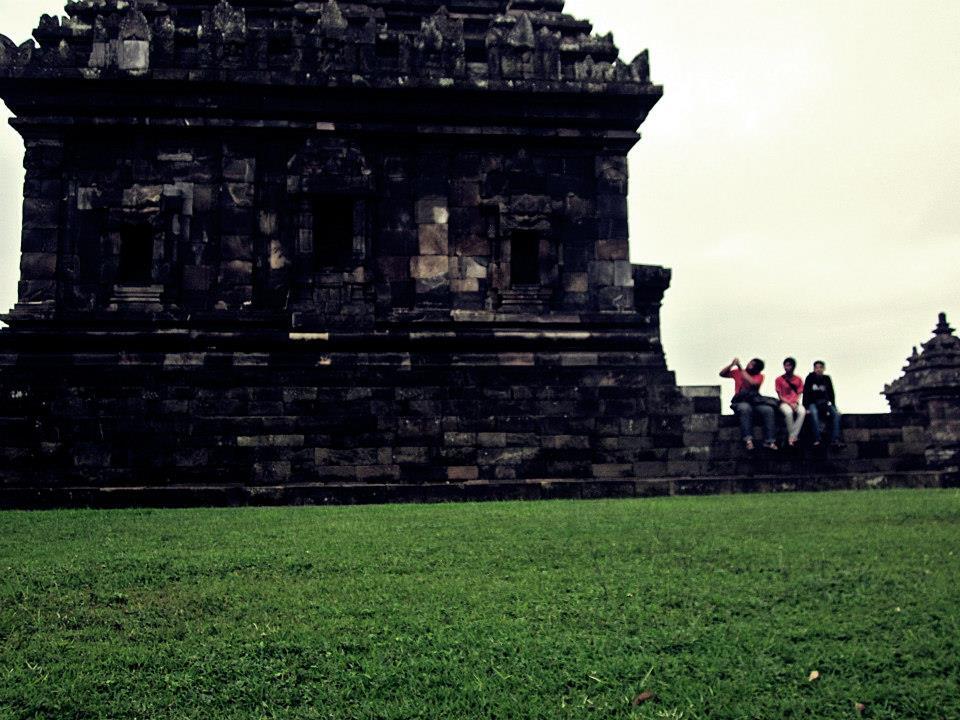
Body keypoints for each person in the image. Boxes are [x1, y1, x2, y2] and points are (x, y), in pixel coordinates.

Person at [720, 357, 777, 451]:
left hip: (755, 402)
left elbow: (753, 383)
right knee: (745, 409)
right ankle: (748, 440)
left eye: (752, 364)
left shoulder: (759, 376)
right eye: (750, 363)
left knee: (768, 410)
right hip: (740, 401)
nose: (749, 365)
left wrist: (740, 368)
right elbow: (722, 374)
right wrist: (732, 365)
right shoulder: (738, 372)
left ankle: (769, 441)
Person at [802, 360, 842, 447]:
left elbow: (831, 393)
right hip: (812, 403)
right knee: (814, 414)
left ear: (824, 369)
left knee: (836, 415)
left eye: (820, 367)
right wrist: (806, 407)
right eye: (816, 368)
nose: (818, 369)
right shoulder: (810, 378)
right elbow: (805, 393)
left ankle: (835, 439)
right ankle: (817, 439)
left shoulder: (827, 379)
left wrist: (834, 406)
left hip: (824, 403)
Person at [775, 357, 806, 447]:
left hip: (795, 402)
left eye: (788, 365)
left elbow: (799, 393)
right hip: (784, 403)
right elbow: (780, 395)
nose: (786, 367)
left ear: (793, 367)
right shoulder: (779, 379)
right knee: (788, 413)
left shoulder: (798, 379)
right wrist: (789, 403)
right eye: (785, 365)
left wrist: (795, 402)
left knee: (802, 412)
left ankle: (792, 436)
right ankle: (793, 437)